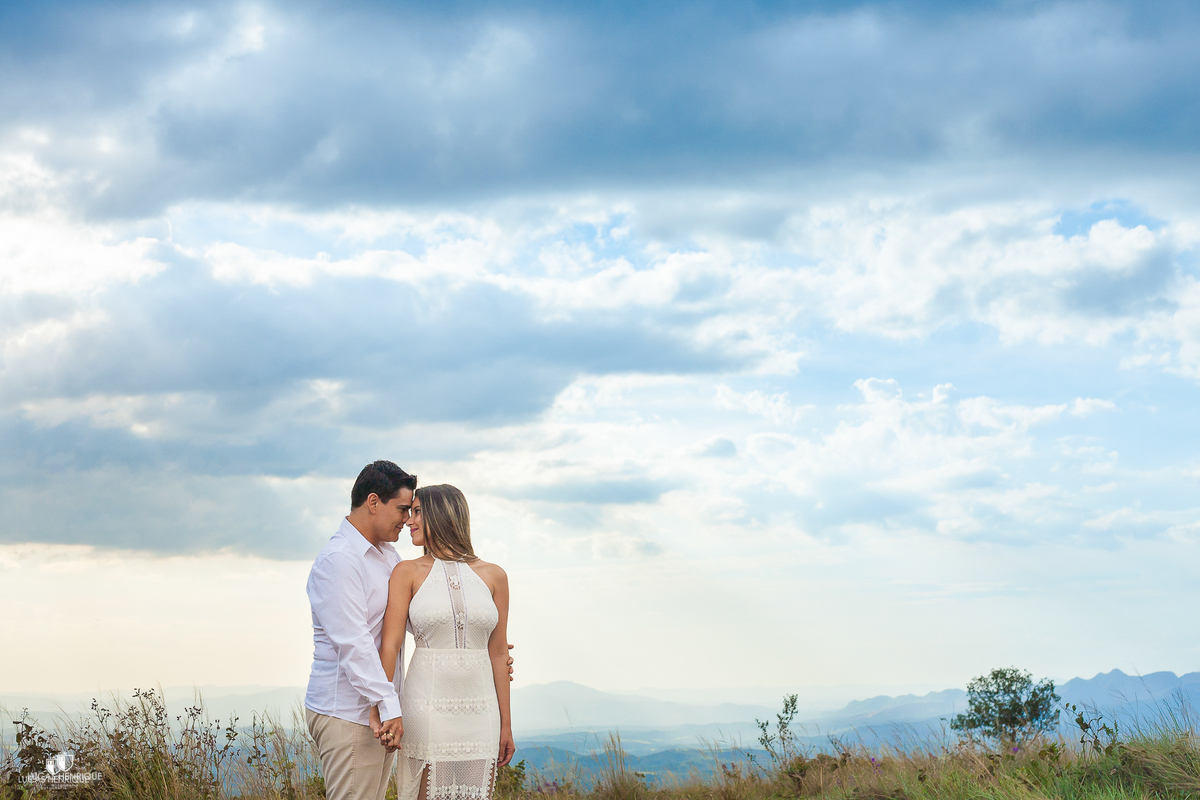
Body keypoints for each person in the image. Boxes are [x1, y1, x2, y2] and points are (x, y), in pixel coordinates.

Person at [374, 484, 515, 800]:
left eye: (417, 512)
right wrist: (384, 708)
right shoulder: (406, 572)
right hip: (427, 707)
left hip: (482, 712)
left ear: (443, 514)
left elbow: (498, 653)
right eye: (409, 512)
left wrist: (506, 725)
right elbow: (390, 645)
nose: (409, 520)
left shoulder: (495, 576)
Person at [304, 461, 416, 800]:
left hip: (377, 711)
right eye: (402, 508)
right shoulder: (339, 559)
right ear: (373, 502)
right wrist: (388, 705)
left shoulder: (388, 556)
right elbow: (354, 643)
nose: (407, 519)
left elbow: (411, 619)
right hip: (348, 713)